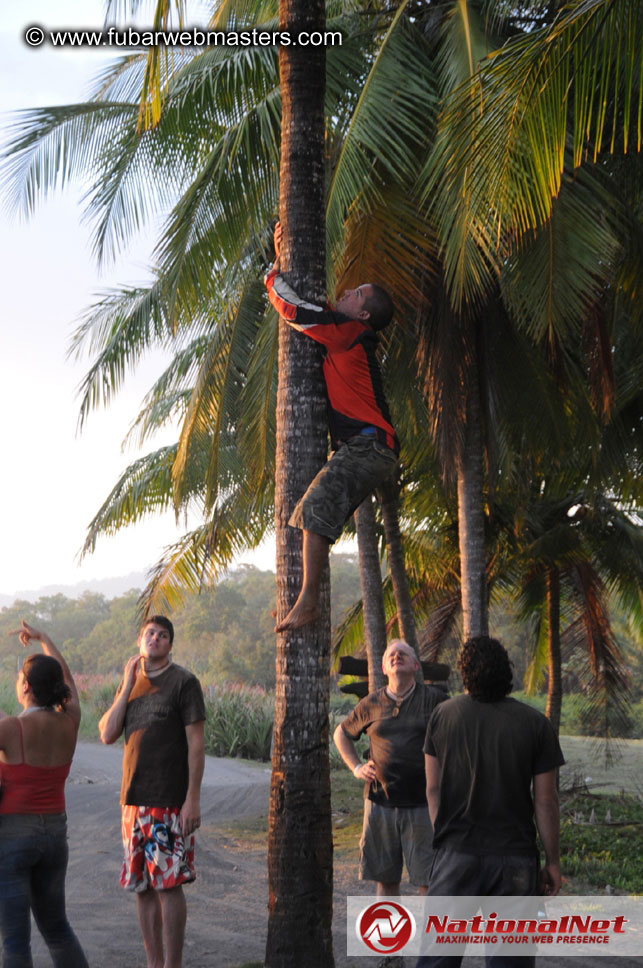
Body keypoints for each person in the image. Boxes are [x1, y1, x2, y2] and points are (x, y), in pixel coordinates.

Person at [265, 221, 399, 632]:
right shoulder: (347, 331)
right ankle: (304, 599)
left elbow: (295, 311)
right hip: (371, 448)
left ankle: (307, 602)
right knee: (314, 511)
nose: (346, 292)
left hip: (369, 447)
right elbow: (317, 307)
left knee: (316, 506)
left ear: (362, 312)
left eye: (355, 293)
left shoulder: (348, 333)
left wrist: (272, 273)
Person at [417, 635, 565, 968]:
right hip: (514, 861)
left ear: (464, 672)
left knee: (438, 958)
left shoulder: (443, 715)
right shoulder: (535, 724)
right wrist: (552, 861)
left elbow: (433, 789)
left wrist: (447, 837)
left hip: (454, 857)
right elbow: (545, 801)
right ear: (506, 669)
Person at [99, 615, 206, 968]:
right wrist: (127, 684)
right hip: (132, 802)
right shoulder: (131, 684)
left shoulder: (184, 683)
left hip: (169, 803)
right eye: (149, 634)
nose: (155, 639)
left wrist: (192, 800)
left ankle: (172, 964)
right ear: (140, 641)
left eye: (162, 635)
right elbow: (107, 733)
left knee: (168, 885)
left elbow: (196, 745)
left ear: (170, 645)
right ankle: (153, 963)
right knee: (141, 886)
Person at [0, 619, 89, 968]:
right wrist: (45, 639)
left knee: (15, 942)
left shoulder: (11, 728)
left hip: (13, 837)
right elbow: (68, 682)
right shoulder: (70, 720)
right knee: (57, 928)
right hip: (55, 834)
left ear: (24, 685)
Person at [333, 640, 447, 896]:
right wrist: (356, 767)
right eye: (391, 656)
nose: (396, 657)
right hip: (379, 803)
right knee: (386, 880)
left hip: (423, 805)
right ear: (384, 668)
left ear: (416, 665)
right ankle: (390, 936)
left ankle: (432, 938)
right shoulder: (371, 703)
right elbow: (340, 734)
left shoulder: (435, 700)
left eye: (403, 654)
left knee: (429, 882)